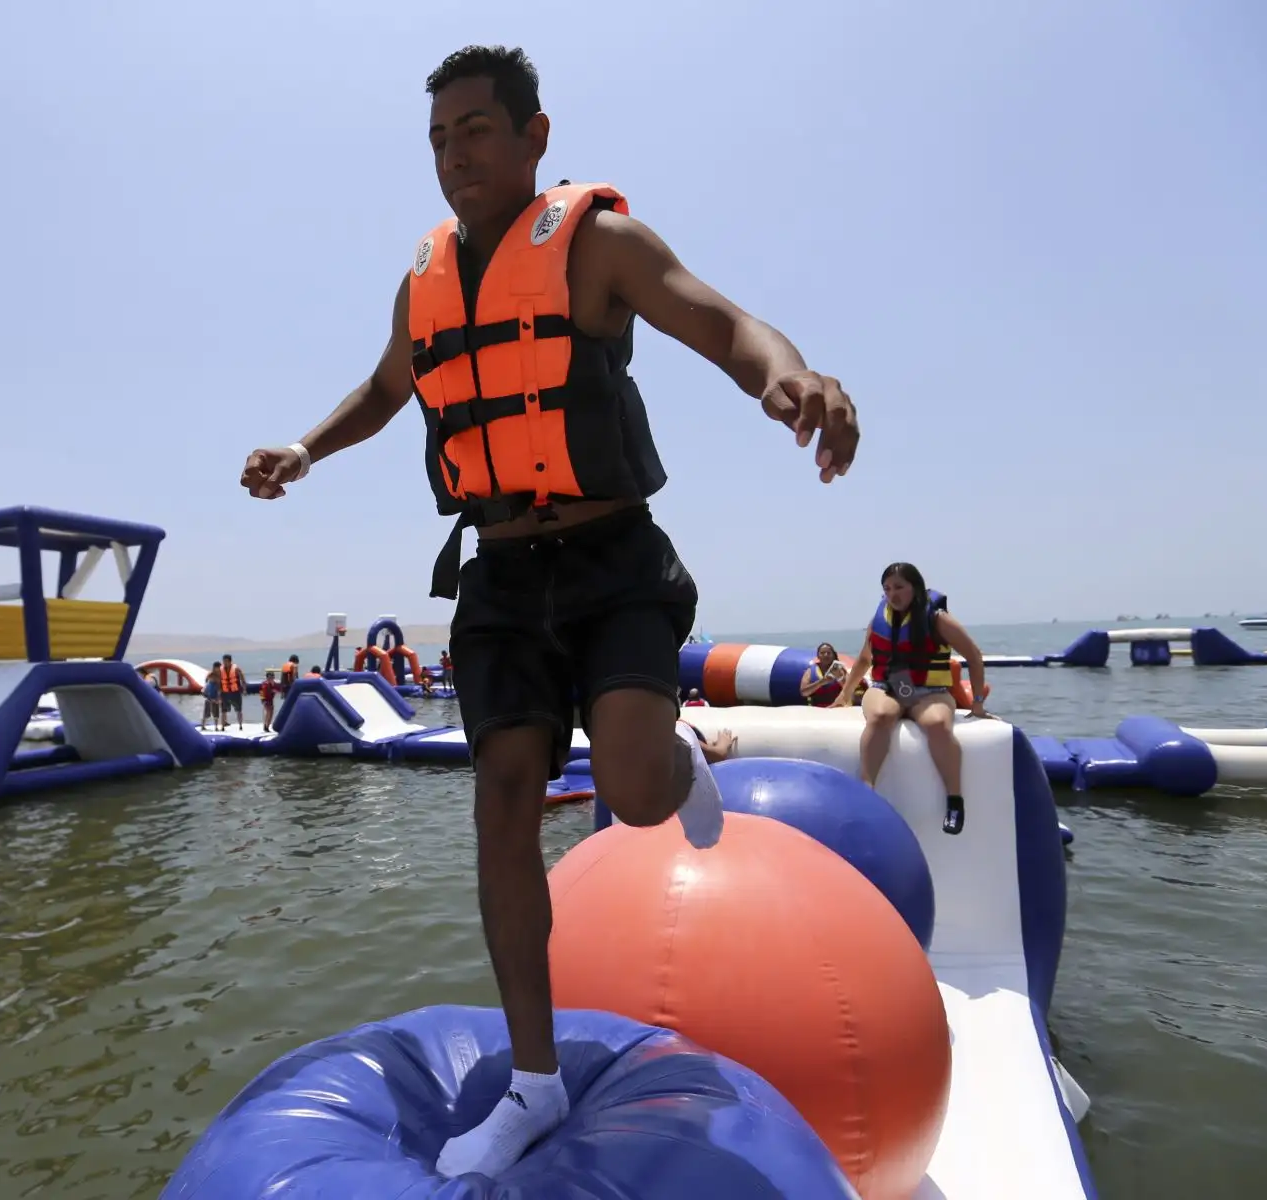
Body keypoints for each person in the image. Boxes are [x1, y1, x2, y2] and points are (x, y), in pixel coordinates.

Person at [239, 45, 858, 1180]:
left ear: (535, 137)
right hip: (500, 577)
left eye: (475, 129)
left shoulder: (595, 245)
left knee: (626, 787)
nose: (453, 154)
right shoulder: (422, 277)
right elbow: (387, 392)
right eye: (437, 138)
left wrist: (793, 376)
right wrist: (303, 449)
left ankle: (673, 757)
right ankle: (533, 1082)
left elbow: (720, 323)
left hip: (614, 557)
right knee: (503, 809)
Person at [836, 563, 991, 834]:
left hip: (930, 692)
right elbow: (864, 659)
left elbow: (974, 656)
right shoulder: (879, 619)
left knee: (937, 725)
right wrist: (844, 695)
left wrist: (977, 703)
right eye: (887, 589)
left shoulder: (937, 618)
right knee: (881, 716)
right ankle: (865, 792)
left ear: (915, 588)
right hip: (886, 687)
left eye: (899, 587)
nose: (892, 595)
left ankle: (955, 800)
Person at [798, 642, 847, 707]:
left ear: (833, 655)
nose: (826, 655)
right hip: (817, 710)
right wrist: (821, 682)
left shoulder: (841, 670)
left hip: (837, 709)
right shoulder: (810, 671)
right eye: (822, 653)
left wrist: (840, 679)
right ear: (818, 656)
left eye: (829, 653)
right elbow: (803, 692)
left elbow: (850, 690)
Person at [218, 654, 246, 730]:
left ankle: (240, 725)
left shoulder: (236, 669)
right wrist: (219, 693)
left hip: (235, 692)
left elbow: (242, 679)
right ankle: (223, 726)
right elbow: (219, 681)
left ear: (230, 661)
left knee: (238, 709)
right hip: (225, 692)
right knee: (223, 710)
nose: (225, 663)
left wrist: (244, 689)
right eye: (223, 661)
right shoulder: (220, 670)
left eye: (226, 661)